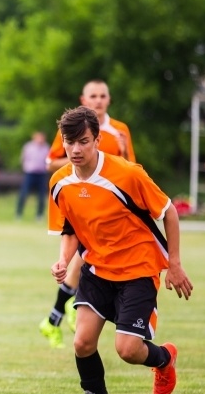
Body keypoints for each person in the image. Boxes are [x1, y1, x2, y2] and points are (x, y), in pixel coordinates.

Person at [48, 105, 193, 394]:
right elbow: (70, 227)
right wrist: (64, 259)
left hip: (137, 270)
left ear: (97, 140)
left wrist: (175, 263)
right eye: (69, 142)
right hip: (97, 270)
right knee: (82, 343)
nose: (75, 149)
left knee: (127, 350)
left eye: (83, 141)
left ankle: (164, 358)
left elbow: (169, 212)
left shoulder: (128, 174)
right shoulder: (59, 182)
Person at [39, 80, 135, 348]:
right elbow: (51, 163)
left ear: (109, 99)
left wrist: (123, 151)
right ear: (84, 99)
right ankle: (69, 309)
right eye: (93, 96)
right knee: (83, 257)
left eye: (103, 95)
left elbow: (132, 170)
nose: (98, 100)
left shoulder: (119, 130)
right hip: (81, 205)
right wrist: (79, 154)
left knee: (83, 260)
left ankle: (54, 318)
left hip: (111, 212)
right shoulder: (72, 129)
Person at [15, 131, 50, 220]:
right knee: (24, 193)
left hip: (41, 174)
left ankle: (39, 215)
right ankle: (18, 213)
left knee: (41, 195)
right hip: (30, 173)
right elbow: (23, 159)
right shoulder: (28, 147)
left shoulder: (46, 147)